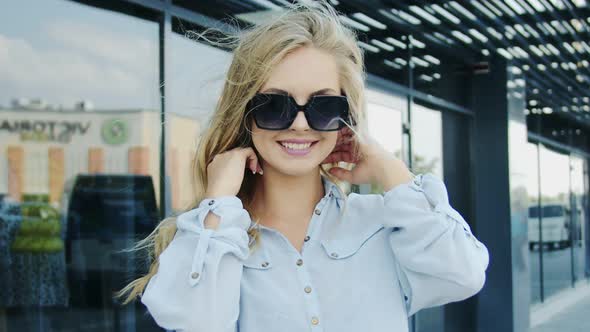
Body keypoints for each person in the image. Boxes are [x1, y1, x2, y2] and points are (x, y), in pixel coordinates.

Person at [116, 2, 489, 331]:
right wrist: (218, 201)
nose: (299, 123)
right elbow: (197, 323)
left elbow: (464, 275)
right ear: (244, 113)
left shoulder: (385, 224)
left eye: (325, 107)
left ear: (348, 116)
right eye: (274, 106)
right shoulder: (214, 239)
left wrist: (390, 171)